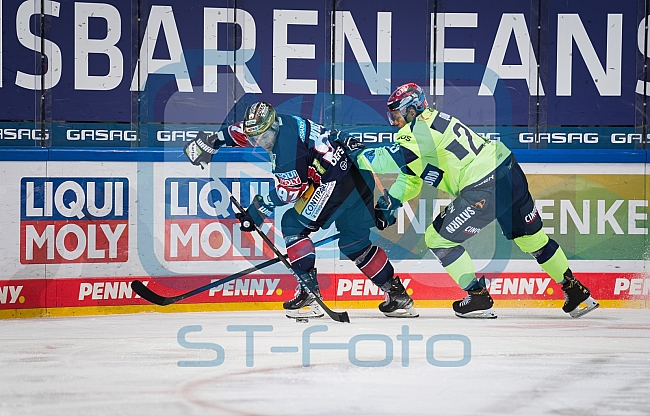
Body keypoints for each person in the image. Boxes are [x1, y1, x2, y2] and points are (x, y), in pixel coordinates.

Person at [341, 83, 599, 319]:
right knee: (532, 239)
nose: (394, 122)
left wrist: (353, 152)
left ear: (411, 110)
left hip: (484, 186)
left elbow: (385, 160)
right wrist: (392, 203)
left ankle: (477, 297)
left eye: (396, 114)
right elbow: (411, 178)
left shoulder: (417, 130)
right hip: (508, 170)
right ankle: (575, 291)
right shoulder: (433, 122)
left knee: (437, 238)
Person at [183, 102, 418, 319]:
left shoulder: (286, 151)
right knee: (353, 243)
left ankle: (310, 296)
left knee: (292, 225)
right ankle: (397, 296)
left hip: (335, 183)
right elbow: (244, 132)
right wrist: (212, 142)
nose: (260, 142)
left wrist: (258, 208)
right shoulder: (278, 122)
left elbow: (291, 191)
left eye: (264, 136)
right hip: (358, 174)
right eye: (256, 137)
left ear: (273, 126)